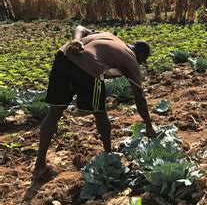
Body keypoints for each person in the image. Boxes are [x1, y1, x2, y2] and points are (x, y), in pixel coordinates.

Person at [34, 25, 157, 177]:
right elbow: (140, 98)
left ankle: (39, 165)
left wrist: (76, 40)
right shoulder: (130, 58)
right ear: (140, 54)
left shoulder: (109, 35)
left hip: (64, 57)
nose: (140, 64)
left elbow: (79, 27)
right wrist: (149, 125)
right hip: (89, 65)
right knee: (100, 112)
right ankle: (109, 155)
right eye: (142, 60)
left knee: (54, 113)